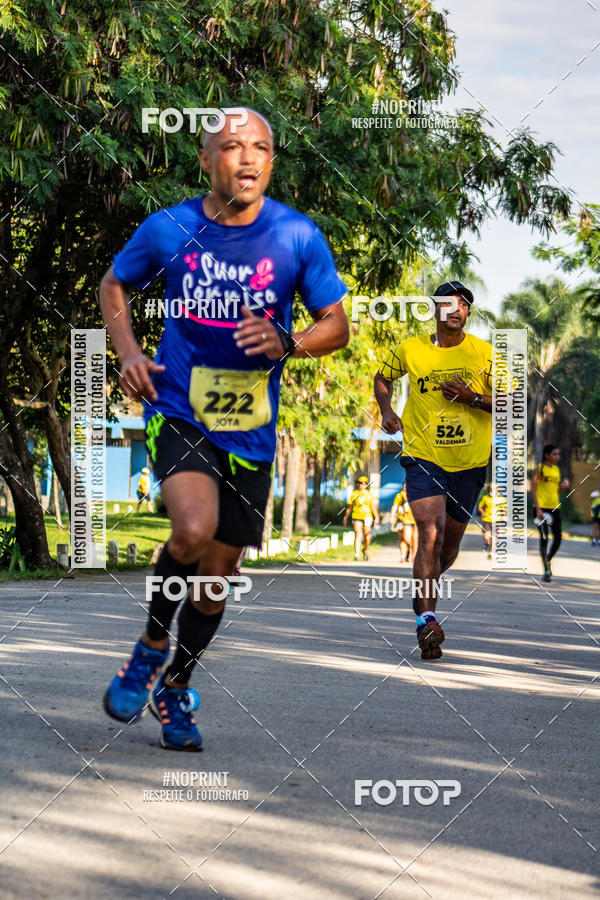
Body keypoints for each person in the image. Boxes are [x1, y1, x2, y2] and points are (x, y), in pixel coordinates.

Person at [100, 108, 349, 749]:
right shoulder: (170, 227)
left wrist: (290, 339)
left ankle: (176, 689)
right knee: (191, 527)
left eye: (260, 148)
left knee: (214, 582)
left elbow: (338, 325)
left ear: (271, 161)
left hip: (251, 429)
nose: (246, 158)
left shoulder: (296, 236)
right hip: (179, 407)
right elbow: (114, 284)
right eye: (231, 147)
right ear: (207, 160)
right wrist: (128, 351)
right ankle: (151, 646)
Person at [374, 281, 493, 660]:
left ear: (468, 313)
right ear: (436, 310)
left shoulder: (486, 354)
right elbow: (382, 378)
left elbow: (512, 403)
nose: (455, 309)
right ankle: (427, 620)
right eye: (448, 303)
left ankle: (424, 591)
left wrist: (471, 398)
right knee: (429, 531)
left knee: (447, 547)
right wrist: (387, 410)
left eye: (463, 304)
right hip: (423, 455)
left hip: (470, 463)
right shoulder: (411, 349)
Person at [531, 444, 569, 582]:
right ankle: (546, 570)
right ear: (546, 455)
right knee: (545, 538)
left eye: (558, 454)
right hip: (541, 508)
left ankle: (548, 559)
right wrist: (538, 509)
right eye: (554, 454)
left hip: (555, 508)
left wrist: (563, 487)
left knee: (558, 538)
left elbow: (556, 491)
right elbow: (533, 490)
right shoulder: (539, 469)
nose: (557, 457)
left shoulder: (557, 470)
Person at [343, 476, 380, 561]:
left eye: (364, 483)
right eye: (360, 483)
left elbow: (372, 507)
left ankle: (365, 550)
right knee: (358, 533)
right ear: (357, 484)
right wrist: (345, 517)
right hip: (356, 516)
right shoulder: (354, 494)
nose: (362, 485)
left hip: (367, 517)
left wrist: (376, 517)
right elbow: (350, 507)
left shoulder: (369, 494)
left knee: (367, 536)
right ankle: (357, 554)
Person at [478, 482, 505, 560]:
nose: (492, 490)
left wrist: (505, 516)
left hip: (497, 521)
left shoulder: (501, 499)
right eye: (491, 489)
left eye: (494, 489)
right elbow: (480, 507)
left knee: (494, 538)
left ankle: (491, 553)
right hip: (487, 520)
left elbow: (504, 509)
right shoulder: (485, 498)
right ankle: (486, 543)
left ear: (497, 490)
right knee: (487, 536)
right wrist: (483, 513)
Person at [391, 485, 417, 563]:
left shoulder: (417, 493)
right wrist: (392, 516)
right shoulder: (400, 495)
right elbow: (395, 506)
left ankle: (414, 556)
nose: (405, 488)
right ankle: (409, 550)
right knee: (406, 538)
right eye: (404, 486)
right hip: (405, 520)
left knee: (415, 539)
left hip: (416, 519)